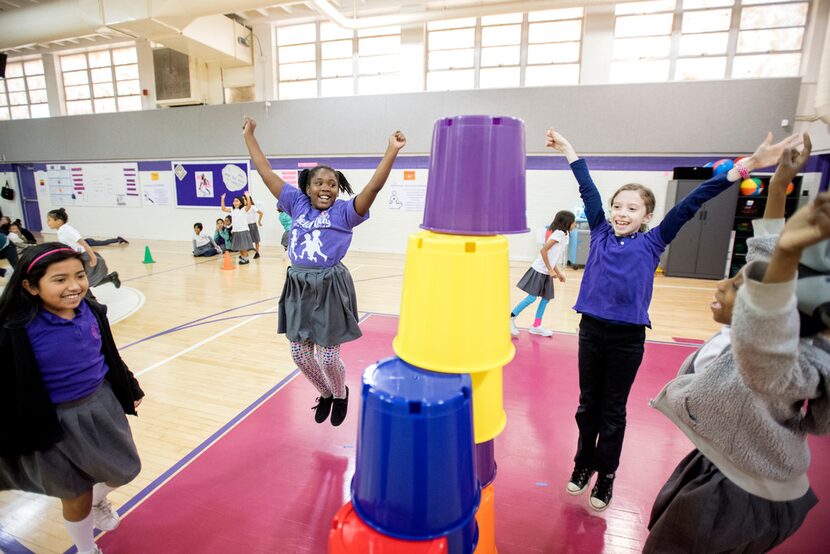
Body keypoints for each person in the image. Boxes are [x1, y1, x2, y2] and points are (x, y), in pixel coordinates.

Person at [548, 128, 802, 511]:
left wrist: (745, 167)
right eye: (619, 205)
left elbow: (693, 200)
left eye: (633, 208)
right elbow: (588, 188)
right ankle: (582, 465)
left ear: (647, 216)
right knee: (588, 406)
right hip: (590, 331)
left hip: (627, 338)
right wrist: (568, 150)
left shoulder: (653, 242)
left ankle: (607, 475)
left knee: (613, 410)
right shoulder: (599, 232)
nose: (622, 213)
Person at [644, 136, 829, 553]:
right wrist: (780, 182)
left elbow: (766, 351)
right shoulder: (757, 326)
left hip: (745, 488)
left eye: (740, 288)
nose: (724, 284)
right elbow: (764, 251)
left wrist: (784, 262)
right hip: (721, 458)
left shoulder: (773, 358)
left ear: (771, 316)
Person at [243, 115, 405, 426]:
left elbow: (373, 187)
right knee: (300, 355)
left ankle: (340, 393)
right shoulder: (296, 203)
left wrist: (391, 150)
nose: (326, 188)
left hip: (329, 286)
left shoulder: (346, 213)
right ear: (307, 187)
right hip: (298, 286)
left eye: (332, 184)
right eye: (319, 183)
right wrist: (249, 135)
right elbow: (265, 173)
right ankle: (326, 393)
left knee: (328, 357)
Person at [0, 243, 144, 554]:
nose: (74, 286)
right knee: (74, 494)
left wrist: (129, 388)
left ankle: (96, 499)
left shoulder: (91, 310)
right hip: (49, 423)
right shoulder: (16, 328)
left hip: (98, 407)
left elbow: (109, 355)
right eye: (59, 279)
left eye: (79, 275)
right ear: (30, 286)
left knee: (125, 470)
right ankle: (86, 548)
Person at [510, 210, 575, 337]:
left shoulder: (563, 235)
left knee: (546, 298)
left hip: (546, 271)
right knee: (531, 298)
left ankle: (536, 326)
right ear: (567, 223)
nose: (575, 224)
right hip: (540, 270)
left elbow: (552, 258)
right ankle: (510, 318)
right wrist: (550, 270)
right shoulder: (559, 235)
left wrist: (558, 272)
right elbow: (544, 251)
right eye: (574, 222)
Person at [46, 208, 120, 288]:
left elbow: (83, 243)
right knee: (85, 281)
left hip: (85, 256)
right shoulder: (61, 231)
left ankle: (109, 279)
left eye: (49, 220)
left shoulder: (67, 230)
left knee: (86, 281)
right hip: (78, 257)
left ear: (58, 221)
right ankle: (111, 278)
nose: (47, 222)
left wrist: (93, 257)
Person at [219, 192, 254, 265]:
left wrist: (247, 197)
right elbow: (223, 208)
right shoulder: (232, 209)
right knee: (239, 246)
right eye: (234, 201)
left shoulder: (243, 209)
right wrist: (222, 199)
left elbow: (249, 206)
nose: (235, 202)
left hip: (243, 230)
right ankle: (243, 256)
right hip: (235, 231)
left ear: (241, 203)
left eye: (237, 201)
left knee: (243, 246)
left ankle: (246, 259)